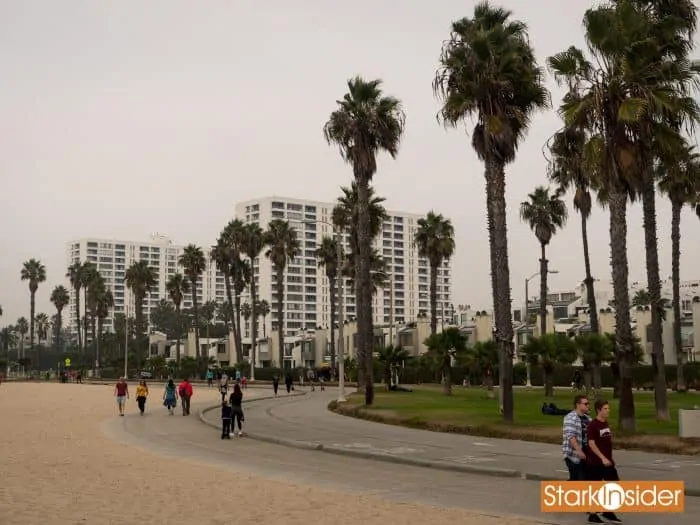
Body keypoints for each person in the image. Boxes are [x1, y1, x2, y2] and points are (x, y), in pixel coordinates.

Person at [585, 399, 622, 524]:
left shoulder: (605, 423)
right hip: (595, 462)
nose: (608, 411)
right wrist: (602, 457)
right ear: (598, 410)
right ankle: (592, 515)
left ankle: (607, 512)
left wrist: (610, 458)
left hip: (608, 462)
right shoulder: (593, 425)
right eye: (605, 409)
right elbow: (591, 443)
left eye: (608, 408)